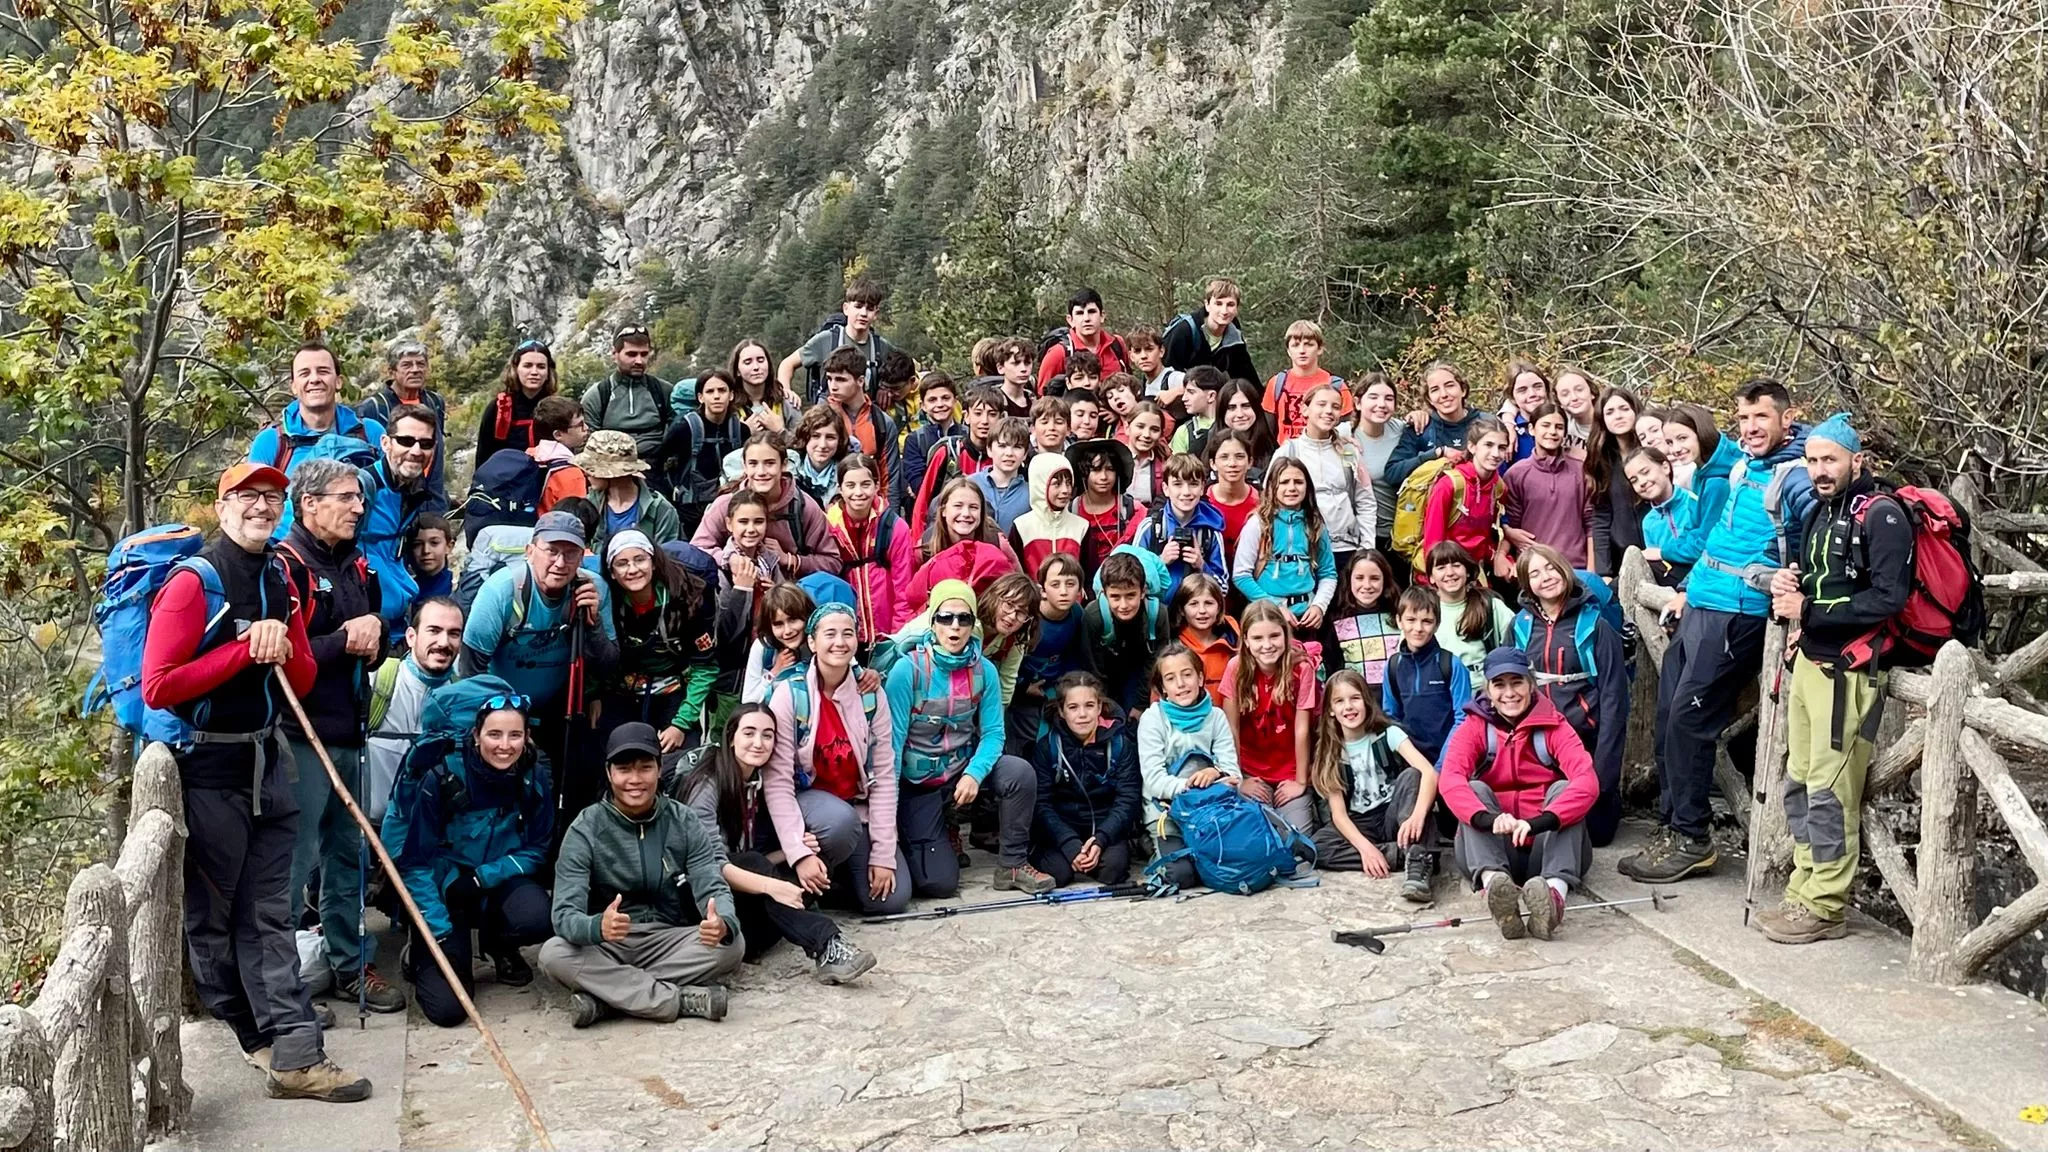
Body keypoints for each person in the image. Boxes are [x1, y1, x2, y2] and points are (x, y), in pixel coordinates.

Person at [141, 462, 370, 1102]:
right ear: (222, 505)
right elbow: (160, 686)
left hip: (270, 763)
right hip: (207, 770)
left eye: (271, 497)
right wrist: (244, 649)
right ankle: (255, 1035)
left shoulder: (278, 574)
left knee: (267, 914)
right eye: (247, 497)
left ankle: (295, 1052)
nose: (261, 507)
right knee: (215, 919)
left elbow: (296, 681)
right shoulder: (195, 585)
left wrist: (283, 644)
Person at [1623, 379, 1813, 885]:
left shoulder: (1798, 476)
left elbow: (1813, 549)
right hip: (1703, 601)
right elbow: (1705, 447)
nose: (1750, 428)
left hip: (1740, 613)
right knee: (1667, 717)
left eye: (1761, 419)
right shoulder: (1744, 461)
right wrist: (1686, 588)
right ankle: (1672, 825)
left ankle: (1692, 838)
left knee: (1689, 719)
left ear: (1786, 419)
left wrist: (1802, 607)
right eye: (1744, 418)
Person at [1754, 413, 1911, 944]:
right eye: (1814, 460)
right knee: (1799, 782)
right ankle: (1803, 889)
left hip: (1850, 672)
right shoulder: (1822, 511)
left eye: (1831, 460)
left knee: (1829, 792)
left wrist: (1809, 610)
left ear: (1856, 461)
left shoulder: (1883, 516)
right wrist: (1789, 584)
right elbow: (1823, 585)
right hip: (1809, 664)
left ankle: (1825, 905)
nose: (1821, 470)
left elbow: (1888, 598)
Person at [274, 458, 401, 1012]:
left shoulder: (357, 564)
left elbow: (373, 633)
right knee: (294, 863)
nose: (358, 508)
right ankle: (280, 988)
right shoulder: (283, 567)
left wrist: (376, 633)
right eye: (346, 498)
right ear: (310, 504)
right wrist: (343, 638)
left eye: (360, 499)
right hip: (297, 736)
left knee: (347, 857)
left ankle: (351, 967)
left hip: (348, 730)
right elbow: (282, 655)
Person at [540, 723, 744, 1027]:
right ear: (609, 773)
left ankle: (608, 999)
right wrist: (597, 926)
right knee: (553, 954)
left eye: (645, 768)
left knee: (733, 945)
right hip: (609, 942)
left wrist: (722, 923)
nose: (635, 780)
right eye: (624, 769)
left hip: (668, 937)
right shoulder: (585, 828)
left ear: (659, 769)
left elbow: (711, 884)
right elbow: (565, 915)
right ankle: (677, 999)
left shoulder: (683, 820)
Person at [381, 679, 554, 1027]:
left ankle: (499, 944)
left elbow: (538, 847)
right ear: (476, 735)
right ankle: (421, 948)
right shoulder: (439, 777)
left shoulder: (533, 775)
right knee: (448, 1011)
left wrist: (482, 877)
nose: (505, 746)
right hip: (443, 891)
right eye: (494, 735)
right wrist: (438, 928)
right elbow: (414, 863)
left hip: (494, 881)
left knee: (538, 917)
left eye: (515, 735)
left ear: (527, 737)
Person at [672, 706, 880, 981]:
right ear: (731, 737)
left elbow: (742, 858)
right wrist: (774, 887)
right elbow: (709, 866)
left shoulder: (755, 781)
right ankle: (827, 944)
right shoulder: (706, 783)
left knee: (791, 883)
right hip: (696, 902)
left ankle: (805, 927)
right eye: (749, 733)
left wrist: (789, 853)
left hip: (736, 914)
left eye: (767, 735)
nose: (759, 743)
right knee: (768, 877)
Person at [458, 511, 619, 837]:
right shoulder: (502, 590)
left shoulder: (593, 588)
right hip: (502, 703)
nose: (560, 562)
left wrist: (595, 627)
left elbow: (610, 666)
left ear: (583, 556)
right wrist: (505, 723)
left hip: (562, 703)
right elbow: (470, 670)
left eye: (570, 553)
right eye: (551, 551)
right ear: (531, 551)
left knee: (576, 778)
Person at [888, 581, 1052, 895]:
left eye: (964, 619)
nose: (955, 626)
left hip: (959, 771)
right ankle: (932, 830)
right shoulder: (906, 671)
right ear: (932, 621)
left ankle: (1013, 865)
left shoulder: (984, 671)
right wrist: (888, 817)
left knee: (1019, 772)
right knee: (937, 882)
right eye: (946, 618)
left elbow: (993, 733)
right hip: (917, 783)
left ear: (972, 623)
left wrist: (974, 774)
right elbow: (891, 747)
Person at [1439, 648, 1601, 941]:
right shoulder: (1474, 726)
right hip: (1494, 845)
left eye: (1517, 682)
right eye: (1499, 684)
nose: (1509, 693)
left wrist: (1541, 821)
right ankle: (1496, 890)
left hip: (1545, 845)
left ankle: (1553, 896)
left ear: (1531, 684)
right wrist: (1487, 819)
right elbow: (1450, 780)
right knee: (1474, 789)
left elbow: (1587, 781)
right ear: (1487, 689)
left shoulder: (1555, 725)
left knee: (1565, 790)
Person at [760, 604, 910, 915]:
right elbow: (777, 782)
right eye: (829, 634)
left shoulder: (871, 694)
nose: (839, 642)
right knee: (840, 821)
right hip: (811, 806)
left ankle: (830, 881)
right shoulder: (791, 694)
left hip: (856, 808)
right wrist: (798, 853)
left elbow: (883, 775)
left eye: (848, 633)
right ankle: (801, 874)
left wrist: (883, 854)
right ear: (812, 642)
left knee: (890, 900)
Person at [1513, 545, 1629, 847]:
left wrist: (1604, 772)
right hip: (1537, 743)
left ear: (1564, 568)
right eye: (1535, 574)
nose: (1546, 577)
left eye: (1550, 567)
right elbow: (1506, 689)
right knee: (1539, 834)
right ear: (1527, 585)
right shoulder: (1520, 626)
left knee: (1597, 836)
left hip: (1584, 738)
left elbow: (1615, 699)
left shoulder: (1596, 626)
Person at [361, 597, 462, 914]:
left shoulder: (463, 696)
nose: (443, 642)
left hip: (428, 834)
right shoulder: (380, 680)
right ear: (410, 637)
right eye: (434, 630)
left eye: (454, 633)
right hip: (365, 831)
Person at [1310, 669, 1442, 900]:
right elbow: (1339, 815)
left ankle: (1417, 864)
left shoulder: (1389, 734)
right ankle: (1403, 855)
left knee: (1412, 775)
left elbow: (1429, 774)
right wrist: (1365, 849)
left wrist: (1417, 815)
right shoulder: (1329, 752)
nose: (1348, 707)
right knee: (1317, 847)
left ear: (1367, 701)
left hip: (1394, 814)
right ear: (1331, 710)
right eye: (1339, 701)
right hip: (1360, 821)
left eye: (1355, 698)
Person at [1136, 643, 1244, 890]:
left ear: (1200, 677)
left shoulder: (1215, 716)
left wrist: (1216, 772)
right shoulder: (1153, 719)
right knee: (1183, 876)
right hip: (1166, 811)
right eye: (1171, 679)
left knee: (1229, 864)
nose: (1181, 684)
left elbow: (1233, 772)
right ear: (1163, 687)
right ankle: (1150, 842)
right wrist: (1192, 785)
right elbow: (1154, 779)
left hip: (1211, 811)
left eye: (1187, 674)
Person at [603, 531, 716, 754]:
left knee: (681, 760)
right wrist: (594, 695)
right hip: (623, 692)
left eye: (640, 559)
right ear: (612, 573)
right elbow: (598, 654)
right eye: (622, 563)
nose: (633, 569)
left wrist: (680, 724)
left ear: (654, 562)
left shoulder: (687, 599)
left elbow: (706, 668)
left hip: (676, 691)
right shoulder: (608, 603)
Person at [1028, 672, 1143, 885]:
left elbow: (1128, 799)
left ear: (1099, 708)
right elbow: (1041, 804)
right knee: (1059, 875)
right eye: (1073, 707)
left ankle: (1092, 856)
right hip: (1061, 829)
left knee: (1112, 871)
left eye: (1089, 706)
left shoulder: (1120, 745)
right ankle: (1070, 858)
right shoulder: (1047, 747)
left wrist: (1101, 840)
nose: (1082, 714)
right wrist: (1069, 845)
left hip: (1105, 828)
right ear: (1061, 711)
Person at [1220, 600, 1319, 832]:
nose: (1267, 645)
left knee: (1297, 839)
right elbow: (1230, 728)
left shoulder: (1301, 669)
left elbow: (1301, 729)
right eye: (1257, 638)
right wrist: (1238, 778)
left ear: (1286, 635)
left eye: (1274, 636)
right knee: (1254, 832)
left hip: (1290, 771)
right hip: (1250, 771)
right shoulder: (1236, 668)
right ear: (1245, 640)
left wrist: (1301, 781)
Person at [690, 432, 843, 578]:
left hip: (788, 596)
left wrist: (790, 560)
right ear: (745, 466)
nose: (761, 472)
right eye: (753, 464)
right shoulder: (726, 505)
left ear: (784, 465)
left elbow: (833, 561)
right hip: (735, 594)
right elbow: (697, 549)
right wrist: (728, 559)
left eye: (769, 463)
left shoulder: (803, 507)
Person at [1273, 383, 1376, 574]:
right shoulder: (1289, 451)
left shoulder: (1348, 451)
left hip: (1346, 549)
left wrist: (1367, 547)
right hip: (1302, 550)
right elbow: (1270, 501)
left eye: (1335, 407)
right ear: (1305, 409)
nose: (1328, 411)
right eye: (1321, 404)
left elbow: (1365, 500)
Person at [248, 341, 386, 482]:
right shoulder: (271, 441)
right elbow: (257, 499)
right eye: (304, 373)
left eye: (323, 371)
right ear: (294, 387)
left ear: (338, 382)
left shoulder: (370, 432)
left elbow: (391, 493)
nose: (314, 379)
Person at [1232, 456, 1336, 633]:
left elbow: (1328, 573)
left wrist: (1319, 606)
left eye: (1298, 482)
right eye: (1284, 482)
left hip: (1307, 617)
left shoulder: (1315, 525)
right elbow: (1241, 575)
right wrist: (1276, 606)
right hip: (1267, 616)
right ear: (1273, 486)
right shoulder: (1258, 524)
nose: (1292, 488)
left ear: (1307, 487)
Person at [827, 453, 915, 651]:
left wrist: (897, 639)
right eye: (850, 485)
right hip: (845, 637)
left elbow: (904, 588)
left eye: (865, 484)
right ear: (840, 488)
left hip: (886, 635)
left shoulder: (894, 527)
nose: (858, 492)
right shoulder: (830, 527)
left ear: (877, 486)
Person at [1381, 587, 1474, 766]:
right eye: (1411, 620)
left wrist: (1441, 766)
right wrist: (1414, 762)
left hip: (1449, 761)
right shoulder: (1393, 666)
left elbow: (1463, 719)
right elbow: (1391, 718)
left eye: (1427, 621)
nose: (1418, 628)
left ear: (1437, 624)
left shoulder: (1451, 664)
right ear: (1399, 621)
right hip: (1411, 764)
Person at [1418, 414, 1511, 584]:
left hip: (1474, 574)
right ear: (1472, 447)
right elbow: (1433, 542)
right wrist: (1436, 584)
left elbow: (1485, 539)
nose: (1496, 453)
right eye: (1488, 445)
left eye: (1502, 447)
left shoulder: (1499, 488)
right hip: (1445, 576)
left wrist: (1503, 559)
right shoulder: (1449, 485)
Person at [1502, 404, 1593, 569]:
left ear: (1565, 433)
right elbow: (1511, 527)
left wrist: (1593, 572)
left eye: (1559, 427)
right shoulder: (1515, 474)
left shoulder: (1580, 471)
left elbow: (1591, 524)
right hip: (1534, 570)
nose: (1552, 431)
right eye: (1545, 425)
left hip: (1576, 568)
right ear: (1532, 429)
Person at [1014, 554, 1096, 735]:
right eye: (1055, 584)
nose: (1064, 592)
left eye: (1070, 584)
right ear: (1042, 590)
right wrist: (1023, 687)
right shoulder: (1027, 616)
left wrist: (1069, 686)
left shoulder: (1076, 614)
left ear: (1081, 590)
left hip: (1056, 687)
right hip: (1021, 691)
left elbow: (1075, 655)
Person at [358, 339, 447, 501]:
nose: (415, 370)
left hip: (432, 498)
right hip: (390, 500)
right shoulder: (374, 407)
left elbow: (434, 450)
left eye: (420, 364)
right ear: (392, 371)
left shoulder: (435, 402)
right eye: (406, 365)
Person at [662, 368, 748, 536]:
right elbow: (659, 463)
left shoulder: (740, 430)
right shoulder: (683, 428)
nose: (716, 396)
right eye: (710, 391)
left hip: (731, 509)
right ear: (700, 397)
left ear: (731, 395)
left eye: (722, 390)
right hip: (690, 513)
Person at [781, 278, 894, 404]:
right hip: (828, 417)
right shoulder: (826, 340)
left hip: (865, 418)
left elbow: (910, 369)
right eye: (858, 306)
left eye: (870, 309)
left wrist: (887, 387)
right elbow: (787, 364)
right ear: (846, 308)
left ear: (876, 314)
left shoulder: (880, 347)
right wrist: (786, 392)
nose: (863, 313)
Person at [1083, 549, 1168, 715]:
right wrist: (1103, 705)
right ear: (1104, 594)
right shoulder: (1094, 616)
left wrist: (1141, 704)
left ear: (1143, 592)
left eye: (1130, 595)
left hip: (1139, 670)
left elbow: (1155, 660)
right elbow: (1092, 666)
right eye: (1115, 597)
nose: (1123, 605)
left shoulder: (1157, 614)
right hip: (1105, 669)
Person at [910, 386, 1002, 537]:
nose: (984, 421)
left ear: (1000, 417)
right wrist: (919, 547)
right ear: (966, 416)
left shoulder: (1003, 459)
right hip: (944, 541)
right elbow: (922, 504)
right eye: (978, 413)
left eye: (992, 414)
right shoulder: (947, 453)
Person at [581, 325, 673, 474]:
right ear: (614, 354)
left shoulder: (664, 391)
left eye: (644, 354)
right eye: (631, 354)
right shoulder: (597, 396)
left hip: (657, 470)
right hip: (610, 472)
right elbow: (586, 444)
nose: (639, 361)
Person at [578, 430, 681, 559]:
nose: (587, 473)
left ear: (612, 474)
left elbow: (666, 561)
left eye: (592, 469)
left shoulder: (660, 510)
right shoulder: (590, 504)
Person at [1129, 452, 1227, 587]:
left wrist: (1201, 565)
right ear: (1166, 489)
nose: (1186, 492)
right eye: (1177, 484)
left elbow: (1223, 588)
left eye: (1193, 484)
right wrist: (1160, 561)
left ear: (1202, 488)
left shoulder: (1210, 531)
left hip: (1197, 607)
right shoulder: (1151, 527)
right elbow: (1131, 581)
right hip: (1159, 606)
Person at [1426, 542, 1516, 688]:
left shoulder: (1489, 606)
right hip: (1439, 693)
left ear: (1467, 571)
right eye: (1441, 567)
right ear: (1431, 577)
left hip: (1482, 694)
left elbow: (1517, 647)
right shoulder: (1424, 610)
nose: (1450, 573)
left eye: (1456, 565)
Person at [1385, 362, 1484, 492]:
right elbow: (1392, 473)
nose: (1443, 394)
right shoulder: (1420, 428)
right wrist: (1436, 454)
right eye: (1435, 390)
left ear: (1463, 390)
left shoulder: (1485, 423)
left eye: (1449, 385)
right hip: (1431, 509)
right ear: (1429, 399)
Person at [1585, 386, 1648, 577]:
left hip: (1659, 552)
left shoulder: (1652, 450)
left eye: (1624, 409)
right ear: (1602, 420)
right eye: (1610, 412)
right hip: (1621, 558)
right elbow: (1601, 516)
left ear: (1635, 410)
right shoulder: (1601, 459)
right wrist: (1603, 571)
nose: (1618, 416)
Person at [1348, 374, 1405, 582]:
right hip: (1362, 536)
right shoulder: (1345, 434)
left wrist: (1420, 415)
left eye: (1388, 399)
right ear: (1358, 402)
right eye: (1373, 397)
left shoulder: (1403, 430)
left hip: (1401, 536)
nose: (1381, 404)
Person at [823, 346, 900, 500]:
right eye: (829, 378)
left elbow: (889, 479)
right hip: (830, 507)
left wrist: (888, 518)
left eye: (841, 379)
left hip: (869, 504)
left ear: (860, 381)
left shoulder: (882, 423)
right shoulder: (822, 417)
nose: (833, 386)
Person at [1322, 550, 1404, 686]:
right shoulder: (1336, 620)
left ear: (1385, 579)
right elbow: (1332, 668)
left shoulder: (1398, 616)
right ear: (1349, 579)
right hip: (1355, 698)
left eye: (1374, 578)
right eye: (1359, 578)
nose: (1367, 585)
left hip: (1394, 698)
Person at [1263, 320, 1350, 445]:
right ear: (1288, 351)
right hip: (1287, 456)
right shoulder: (1276, 384)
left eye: (1309, 344)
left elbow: (1345, 431)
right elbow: (1267, 430)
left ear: (1320, 349)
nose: (1302, 350)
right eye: (1295, 345)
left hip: (1324, 452)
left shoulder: (1337, 386)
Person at [474, 338, 557, 464]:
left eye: (541, 367)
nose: (534, 372)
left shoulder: (557, 409)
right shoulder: (499, 408)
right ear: (516, 369)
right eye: (527, 365)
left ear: (548, 372)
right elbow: (483, 458)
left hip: (549, 481)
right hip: (510, 481)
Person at [1162, 278, 1258, 386]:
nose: (1224, 311)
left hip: (1208, 395)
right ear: (1207, 305)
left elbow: (1246, 376)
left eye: (1230, 304)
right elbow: (1164, 373)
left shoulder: (1234, 334)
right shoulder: (1184, 331)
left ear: (1237, 308)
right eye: (1218, 304)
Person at [1067, 438, 1142, 574]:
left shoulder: (1133, 510)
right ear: (1084, 473)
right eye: (1096, 470)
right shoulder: (1071, 510)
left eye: (1110, 469)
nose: (1104, 477)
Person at [1628, 446, 1699, 587]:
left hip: (1702, 577)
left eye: (1645, 472)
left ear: (1665, 467)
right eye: (1634, 480)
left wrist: (1661, 553)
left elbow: (1702, 549)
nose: (1642, 482)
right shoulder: (1649, 522)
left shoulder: (1694, 502)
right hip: (1671, 583)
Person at [1008, 452, 1086, 580]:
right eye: (1057, 484)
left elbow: (1088, 576)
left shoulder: (1081, 527)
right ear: (1040, 486)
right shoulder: (1022, 526)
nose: (1065, 490)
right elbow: (1015, 574)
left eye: (1068, 483)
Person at [1037, 287, 1130, 387]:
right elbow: (1043, 398)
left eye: (1091, 312)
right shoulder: (1059, 353)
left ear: (1102, 316)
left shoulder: (1117, 345)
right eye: (1080, 313)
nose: (1086, 319)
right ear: (1070, 320)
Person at [898, 372, 965, 511]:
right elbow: (917, 482)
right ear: (923, 405)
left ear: (955, 400)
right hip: (928, 512)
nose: (940, 404)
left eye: (945, 398)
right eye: (932, 400)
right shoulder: (915, 440)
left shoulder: (967, 435)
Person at [741, 582, 816, 704]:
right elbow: (748, 701)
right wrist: (774, 672)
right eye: (778, 624)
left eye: (793, 620)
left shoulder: (820, 641)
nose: (787, 631)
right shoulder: (763, 647)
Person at [1171, 572, 1238, 703]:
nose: (1202, 610)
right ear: (1181, 610)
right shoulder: (1174, 646)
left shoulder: (1235, 642)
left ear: (1219, 607)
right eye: (1193, 604)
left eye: (1208, 603)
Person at [730, 337, 804, 439]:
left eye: (761, 360)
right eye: (748, 362)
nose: (756, 367)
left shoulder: (787, 402)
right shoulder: (729, 406)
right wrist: (744, 433)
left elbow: (802, 446)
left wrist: (780, 431)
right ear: (737, 370)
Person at [970, 417, 1034, 535]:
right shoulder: (971, 485)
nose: (1009, 453)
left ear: (1025, 454)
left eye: (1017, 447)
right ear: (989, 449)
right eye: (1002, 446)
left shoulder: (1032, 494)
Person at [1205, 429, 1261, 563]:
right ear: (1213, 463)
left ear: (1250, 462)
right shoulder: (1201, 502)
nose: (1232, 464)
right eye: (1224, 457)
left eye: (1240, 456)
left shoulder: (1263, 502)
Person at [1214, 379, 1277, 484]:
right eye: (1231, 408)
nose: (1240, 414)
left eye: (1246, 406)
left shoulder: (1273, 452)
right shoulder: (1205, 444)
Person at [790, 403, 848, 509]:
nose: (822, 445)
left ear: (839, 441)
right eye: (815, 436)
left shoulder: (847, 473)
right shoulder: (790, 466)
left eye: (830, 437)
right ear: (805, 437)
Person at [403, 514, 454, 624]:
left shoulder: (457, 589)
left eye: (434, 543)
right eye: (418, 544)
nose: (426, 550)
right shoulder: (406, 590)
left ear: (449, 546)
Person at [1502, 360, 1553, 466]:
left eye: (1538, 386)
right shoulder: (1507, 434)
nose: (1532, 394)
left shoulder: (1562, 424)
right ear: (1512, 398)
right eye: (1522, 390)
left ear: (1547, 390)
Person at [1120, 398, 1169, 506]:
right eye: (1140, 426)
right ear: (1127, 427)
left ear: (1161, 434)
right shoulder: (1114, 460)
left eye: (1154, 429)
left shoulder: (1165, 465)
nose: (1146, 434)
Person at [1127, 326, 1184, 410]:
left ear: (1161, 351)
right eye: (1137, 351)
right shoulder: (1141, 387)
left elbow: (1205, 386)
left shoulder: (1174, 378)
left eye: (1149, 349)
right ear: (1131, 356)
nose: (1143, 356)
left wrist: (1176, 392)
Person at [1554, 368, 1600, 459]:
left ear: (1592, 393)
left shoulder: (1610, 421)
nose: (1574, 397)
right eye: (1565, 394)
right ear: (1559, 402)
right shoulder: (1561, 427)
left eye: (1579, 390)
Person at [990, 337, 1037, 420]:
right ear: (1000, 368)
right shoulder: (992, 402)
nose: (1023, 369)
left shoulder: (1034, 401)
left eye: (1027, 363)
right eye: (1016, 363)